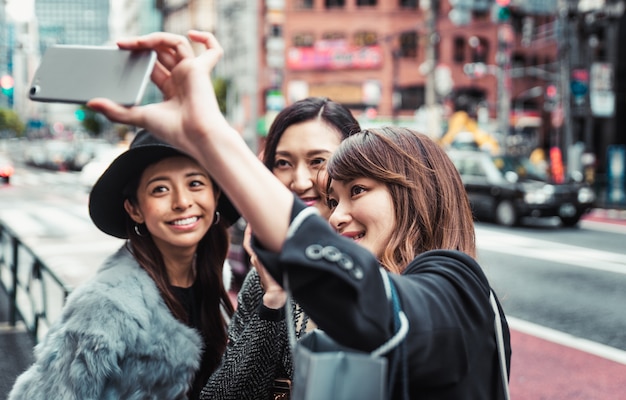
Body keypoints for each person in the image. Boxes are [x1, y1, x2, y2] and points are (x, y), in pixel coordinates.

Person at [87, 30, 512, 398]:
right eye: (334, 197)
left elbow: (365, 302)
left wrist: (209, 135)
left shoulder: (456, 285)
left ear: (416, 191)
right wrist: (274, 300)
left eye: (356, 191)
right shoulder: (284, 277)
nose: (336, 213)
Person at [8, 129, 239, 400]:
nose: (183, 202)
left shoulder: (214, 276)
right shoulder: (107, 304)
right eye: (160, 189)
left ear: (216, 195)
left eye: (195, 183)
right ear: (135, 209)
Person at [201, 97, 361, 399]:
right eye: (283, 163)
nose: (299, 182)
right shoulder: (263, 277)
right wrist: (274, 299)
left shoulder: (383, 265)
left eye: (318, 161)